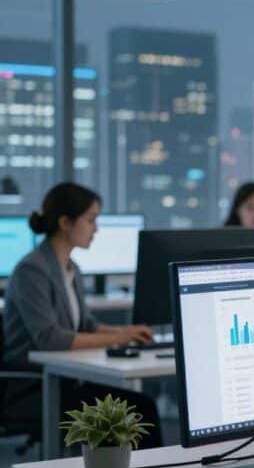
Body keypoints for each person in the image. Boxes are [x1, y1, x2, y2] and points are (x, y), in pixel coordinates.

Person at [3, 182, 162, 449]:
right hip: (35, 387)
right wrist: (120, 338)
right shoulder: (32, 270)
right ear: (66, 223)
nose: (96, 229)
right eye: (91, 220)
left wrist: (129, 333)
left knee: (140, 408)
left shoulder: (71, 268)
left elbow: (86, 325)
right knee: (137, 411)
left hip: (67, 382)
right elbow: (50, 339)